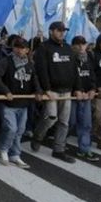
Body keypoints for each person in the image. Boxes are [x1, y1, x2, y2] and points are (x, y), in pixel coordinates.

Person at [31, 22, 80, 163]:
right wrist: (46, 89)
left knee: (64, 122)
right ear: (51, 31)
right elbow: (42, 70)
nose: (62, 33)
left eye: (63, 31)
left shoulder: (68, 48)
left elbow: (74, 70)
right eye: (59, 30)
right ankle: (38, 136)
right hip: (52, 90)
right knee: (51, 118)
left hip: (67, 91)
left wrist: (77, 88)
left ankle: (59, 150)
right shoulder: (44, 47)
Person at [0, 36, 40, 169]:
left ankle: (15, 154)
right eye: (17, 47)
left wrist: (38, 91)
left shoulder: (30, 63)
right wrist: (6, 91)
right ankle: (3, 149)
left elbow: (34, 79)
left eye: (22, 48)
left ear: (27, 50)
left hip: (23, 103)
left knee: (20, 130)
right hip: (8, 103)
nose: (20, 50)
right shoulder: (6, 62)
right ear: (13, 48)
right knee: (11, 128)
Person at [70, 36, 100, 162]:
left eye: (84, 44)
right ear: (73, 46)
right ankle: (59, 143)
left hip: (86, 95)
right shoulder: (69, 58)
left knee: (85, 123)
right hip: (72, 96)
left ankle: (85, 149)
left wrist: (93, 89)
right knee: (70, 122)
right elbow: (67, 77)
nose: (81, 47)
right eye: (78, 44)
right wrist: (76, 90)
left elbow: (92, 75)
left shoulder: (89, 58)